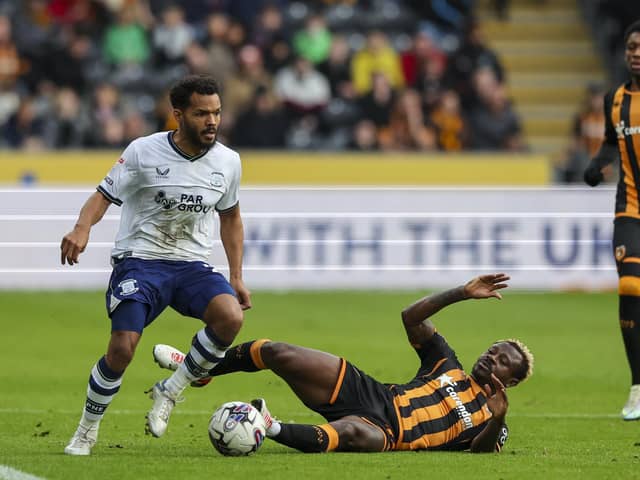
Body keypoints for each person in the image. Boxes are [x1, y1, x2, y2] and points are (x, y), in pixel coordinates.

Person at [60, 74, 251, 455]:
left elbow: (230, 217)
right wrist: (82, 228)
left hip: (191, 266)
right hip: (141, 263)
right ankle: (86, 429)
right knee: (123, 348)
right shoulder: (143, 152)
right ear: (178, 115)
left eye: (216, 113)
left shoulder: (229, 162)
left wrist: (235, 276)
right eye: (201, 114)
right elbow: (103, 195)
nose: (212, 121)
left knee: (231, 316)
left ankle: (171, 390)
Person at [154, 273, 533, 453]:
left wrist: (498, 417)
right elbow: (410, 317)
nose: (491, 357)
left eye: (502, 361)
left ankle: (268, 427)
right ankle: (199, 368)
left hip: (388, 434)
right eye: (493, 350)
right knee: (277, 351)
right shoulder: (447, 364)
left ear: (510, 382)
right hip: (372, 393)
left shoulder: (493, 421)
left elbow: (481, 453)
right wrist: (461, 294)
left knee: (351, 434)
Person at [583, 19, 640, 421]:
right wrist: (597, 165)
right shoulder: (615, 99)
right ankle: (638, 387)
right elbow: (610, 141)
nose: (635, 53)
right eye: (631, 46)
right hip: (630, 209)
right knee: (629, 285)